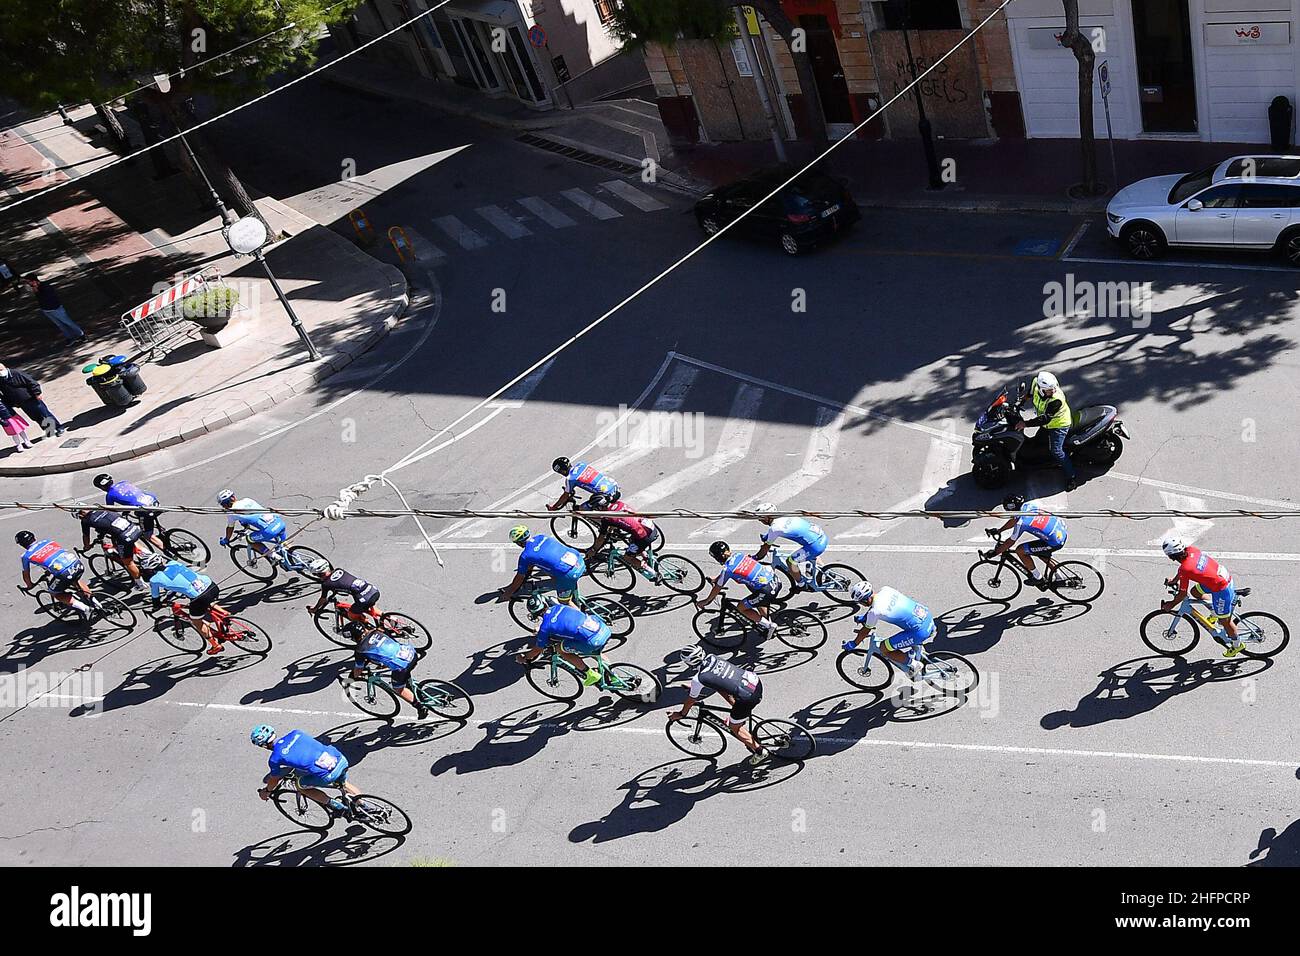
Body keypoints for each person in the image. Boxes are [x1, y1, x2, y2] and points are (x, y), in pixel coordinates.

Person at [668, 646, 769, 766]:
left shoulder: (698, 679)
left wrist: (681, 714)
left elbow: (691, 700)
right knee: (724, 693)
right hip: (754, 683)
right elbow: (719, 680)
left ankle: (759, 751)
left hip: (747, 697)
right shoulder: (712, 657)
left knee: (734, 727)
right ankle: (741, 717)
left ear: (688, 662)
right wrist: (695, 687)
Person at [252, 725, 360, 816]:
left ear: (263, 745)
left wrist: (266, 791)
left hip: (329, 774)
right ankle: (365, 806)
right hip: (340, 759)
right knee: (344, 784)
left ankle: (337, 807)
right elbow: (303, 752)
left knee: (300, 786)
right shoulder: (296, 733)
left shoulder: (275, 758)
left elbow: (274, 780)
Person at [1161, 535, 1242, 656]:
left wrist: (1171, 604)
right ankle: (1214, 613)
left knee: (1225, 621)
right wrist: (1174, 580)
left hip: (1221, 588)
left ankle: (1237, 645)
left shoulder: (1185, 569)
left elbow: (1182, 594)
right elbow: (1182, 570)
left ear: (1171, 556)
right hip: (1220, 577)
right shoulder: (1191, 550)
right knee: (1195, 592)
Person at [842, 581, 936, 678]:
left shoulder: (874, 612)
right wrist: (866, 617)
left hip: (919, 631)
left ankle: (915, 665)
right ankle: (915, 653)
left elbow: (864, 632)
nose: (861, 605)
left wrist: (853, 643)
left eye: (861, 602)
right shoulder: (886, 590)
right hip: (926, 616)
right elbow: (880, 605)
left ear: (865, 600)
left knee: (884, 648)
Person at [515, 600, 610, 687]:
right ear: (545, 604)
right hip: (602, 629)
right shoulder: (559, 606)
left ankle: (590, 674)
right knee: (591, 649)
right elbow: (560, 620)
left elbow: (538, 649)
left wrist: (525, 657)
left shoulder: (545, 628)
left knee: (560, 649)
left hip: (592, 641)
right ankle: (612, 673)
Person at [696, 540, 779, 634]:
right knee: (758, 599)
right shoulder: (739, 555)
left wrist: (706, 601)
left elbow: (717, 587)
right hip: (775, 580)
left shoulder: (728, 570)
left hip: (766, 590)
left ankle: (769, 626)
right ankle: (767, 625)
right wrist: (716, 579)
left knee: (741, 608)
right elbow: (728, 573)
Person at [987, 493, 1068, 588]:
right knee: (1041, 553)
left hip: (1054, 542)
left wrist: (995, 552)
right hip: (1060, 533)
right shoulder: (1028, 506)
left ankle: (1037, 578)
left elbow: (1010, 542)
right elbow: (1014, 519)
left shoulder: (1021, 523)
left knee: (1020, 550)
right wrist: (1000, 530)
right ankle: (1059, 577)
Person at [148, 557, 227, 654]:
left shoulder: (154, 580)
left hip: (200, 597)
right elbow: (179, 582)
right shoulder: (173, 563)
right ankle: (225, 614)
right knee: (207, 602)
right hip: (211, 585)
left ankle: (215, 646)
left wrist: (157, 605)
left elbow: (155, 597)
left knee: (196, 620)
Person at [16, 530, 95, 622]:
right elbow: (54, 556)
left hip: (63, 573)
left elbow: (26, 574)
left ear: (22, 545)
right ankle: (96, 603)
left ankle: (85, 609)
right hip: (77, 563)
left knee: (55, 593)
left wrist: (29, 585)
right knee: (76, 580)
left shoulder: (25, 556)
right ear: (34, 537)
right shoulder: (47, 541)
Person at [347, 629, 427, 718]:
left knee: (398, 688)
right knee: (403, 675)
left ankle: (420, 707)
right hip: (410, 652)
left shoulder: (360, 650)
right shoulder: (376, 631)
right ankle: (414, 690)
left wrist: (351, 677)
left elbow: (358, 670)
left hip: (402, 666)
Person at [499, 525, 585, 606]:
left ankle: (583, 618)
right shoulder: (542, 536)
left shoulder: (525, 556)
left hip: (569, 574)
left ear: (518, 543)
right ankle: (575, 598)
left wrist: (508, 594)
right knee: (550, 570)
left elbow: (520, 577)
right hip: (579, 560)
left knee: (564, 601)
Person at [1018, 370, 1075, 491]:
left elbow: (1044, 419)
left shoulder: (1056, 399)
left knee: (1056, 451)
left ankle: (1072, 476)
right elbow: (1029, 393)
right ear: (1041, 389)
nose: (1053, 391)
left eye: (1054, 388)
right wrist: (1020, 402)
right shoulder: (1036, 382)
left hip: (1058, 425)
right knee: (1037, 443)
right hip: (1047, 424)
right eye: (1050, 390)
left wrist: (1025, 424)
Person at [751, 503, 828, 590]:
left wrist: (755, 557)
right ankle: (827, 571)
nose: (760, 521)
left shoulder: (775, 528)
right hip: (821, 536)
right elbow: (771, 533)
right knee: (806, 551)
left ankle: (802, 585)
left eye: (761, 518)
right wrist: (766, 537)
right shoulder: (785, 515)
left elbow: (763, 551)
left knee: (791, 561)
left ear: (767, 517)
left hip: (815, 546)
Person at [582, 493, 657, 574]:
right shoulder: (618, 503)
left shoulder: (606, 518)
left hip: (644, 537)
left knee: (627, 558)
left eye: (596, 508)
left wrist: (594, 550)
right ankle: (645, 556)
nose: (596, 510)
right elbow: (621, 521)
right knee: (632, 539)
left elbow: (601, 538)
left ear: (600, 507)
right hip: (650, 527)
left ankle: (654, 574)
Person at [76, 507, 147, 592]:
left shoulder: (85, 521)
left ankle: (140, 584)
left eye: (79, 516)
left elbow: (86, 536)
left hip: (124, 536)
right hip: (133, 528)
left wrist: (87, 547)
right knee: (128, 542)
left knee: (128, 562)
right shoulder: (98, 507)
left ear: (82, 513)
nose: (80, 518)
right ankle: (147, 556)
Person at [305, 559, 381, 637]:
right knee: (370, 607)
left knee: (351, 615)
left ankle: (367, 632)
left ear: (318, 574)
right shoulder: (339, 570)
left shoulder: (326, 584)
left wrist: (315, 609)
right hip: (373, 590)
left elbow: (323, 599)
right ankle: (389, 618)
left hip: (364, 599)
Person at [93, 474, 164, 551]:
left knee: (147, 535)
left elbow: (111, 511)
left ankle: (168, 553)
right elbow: (132, 497)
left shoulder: (109, 495)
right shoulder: (124, 482)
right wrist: (127, 510)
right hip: (154, 502)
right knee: (143, 517)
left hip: (146, 511)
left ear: (102, 487)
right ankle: (162, 532)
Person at [217, 489, 286, 559]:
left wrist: (226, 539)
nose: (223, 507)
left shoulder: (231, 513)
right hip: (279, 522)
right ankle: (288, 551)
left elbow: (230, 528)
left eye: (223, 505)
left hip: (270, 531)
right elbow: (252, 512)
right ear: (233, 497)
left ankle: (273, 556)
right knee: (282, 545)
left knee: (249, 540)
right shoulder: (247, 500)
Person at [0, 364, 65, 437]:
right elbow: (4, 393)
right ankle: (49, 430)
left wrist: (37, 393)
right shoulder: (1, 380)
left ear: (4, 368)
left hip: (32, 398)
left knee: (45, 414)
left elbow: (31, 381)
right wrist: (12, 403)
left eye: (1, 370)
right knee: (36, 417)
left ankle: (59, 428)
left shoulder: (16, 373)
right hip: (21, 403)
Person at [22, 275, 85, 344]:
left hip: (56, 309)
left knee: (68, 322)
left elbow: (47, 298)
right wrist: (35, 291)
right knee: (60, 325)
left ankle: (81, 335)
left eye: (28, 282)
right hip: (46, 310)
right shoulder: (36, 288)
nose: (28, 284)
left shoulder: (45, 287)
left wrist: (37, 291)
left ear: (34, 281)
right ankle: (70, 337)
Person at [547, 456, 620, 512]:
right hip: (613, 485)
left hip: (605, 495)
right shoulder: (581, 464)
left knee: (580, 510)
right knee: (598, 505)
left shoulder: (570, 478)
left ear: (562, 471)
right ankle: (610, 525)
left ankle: (604, 529)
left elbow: (565, 496)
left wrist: (554, 507)